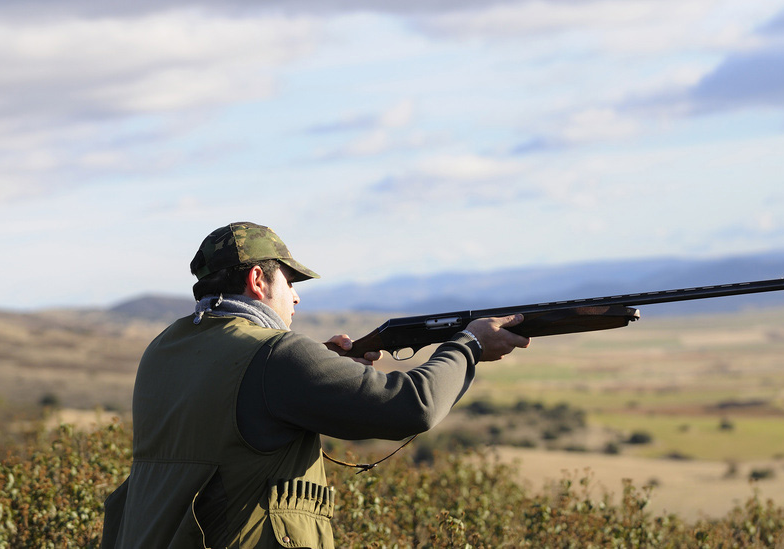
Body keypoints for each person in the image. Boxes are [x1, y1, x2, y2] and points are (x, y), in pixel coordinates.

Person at [101, 222, 530, 548]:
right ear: (256, 280)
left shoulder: (162, 350)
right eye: (290, 282)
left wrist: (320, 366)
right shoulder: (275, 355)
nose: (297, 297)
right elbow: (412, 407)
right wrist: (469, 344)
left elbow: (231, 412)